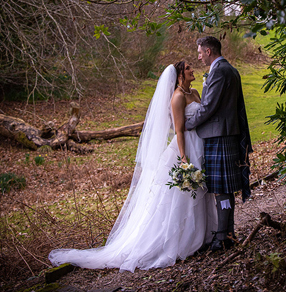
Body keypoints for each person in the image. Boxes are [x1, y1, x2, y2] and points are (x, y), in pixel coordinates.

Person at [48, 62, 217, 272]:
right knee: (182, 196)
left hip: (199, 143)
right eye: (189, 68)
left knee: (200, 189)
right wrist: (184, 158)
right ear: (180, 74)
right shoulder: (177, 97)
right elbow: (179, 131)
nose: (193, 70)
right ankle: (182, 240)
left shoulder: (194, 92)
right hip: (185, 148)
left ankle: (203, 235)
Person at [185, 36, 253, 251]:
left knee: (222, 190)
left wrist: (188, 124)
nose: (198, 56)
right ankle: (227, 233)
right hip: (224, 133)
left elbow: (209, 107)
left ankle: (223, 237)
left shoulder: (220, 70)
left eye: (199, 52)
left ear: (208, 51)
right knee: (224, 189)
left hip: (219, 135)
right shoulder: (229, 69)